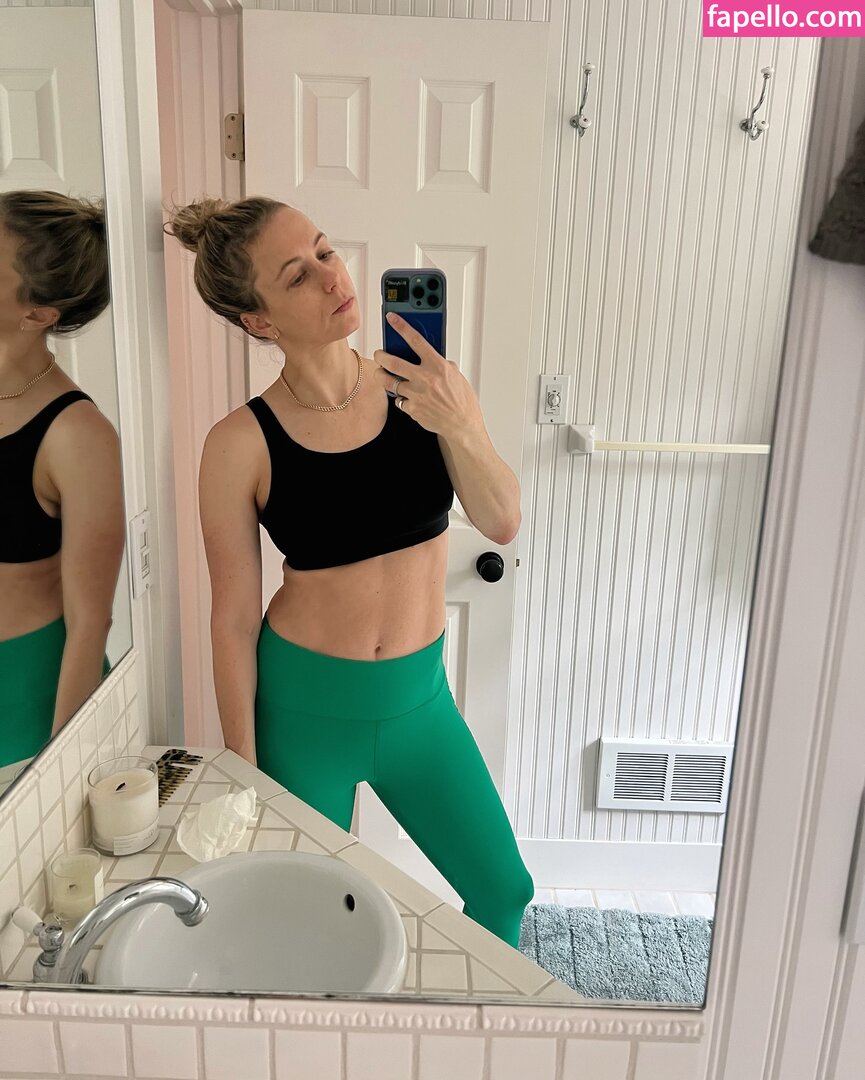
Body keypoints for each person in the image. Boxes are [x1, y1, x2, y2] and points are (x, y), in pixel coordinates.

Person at [166, 196, 535, 949]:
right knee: (308, 930)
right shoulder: (238, 443)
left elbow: (500, 520)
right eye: (297, 275)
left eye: (325, 252)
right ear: (258, 321)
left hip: (419, 704)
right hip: (303, 715)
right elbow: (232, 617)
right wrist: (244, 767)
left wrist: (458, 422)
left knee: (503, 889)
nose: (333, 278)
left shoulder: (428, 387)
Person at [0, 190, 124, 768]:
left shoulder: (78, 435)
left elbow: (90, 621)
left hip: (25, 703)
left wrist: (61, 767)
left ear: (36, 315)